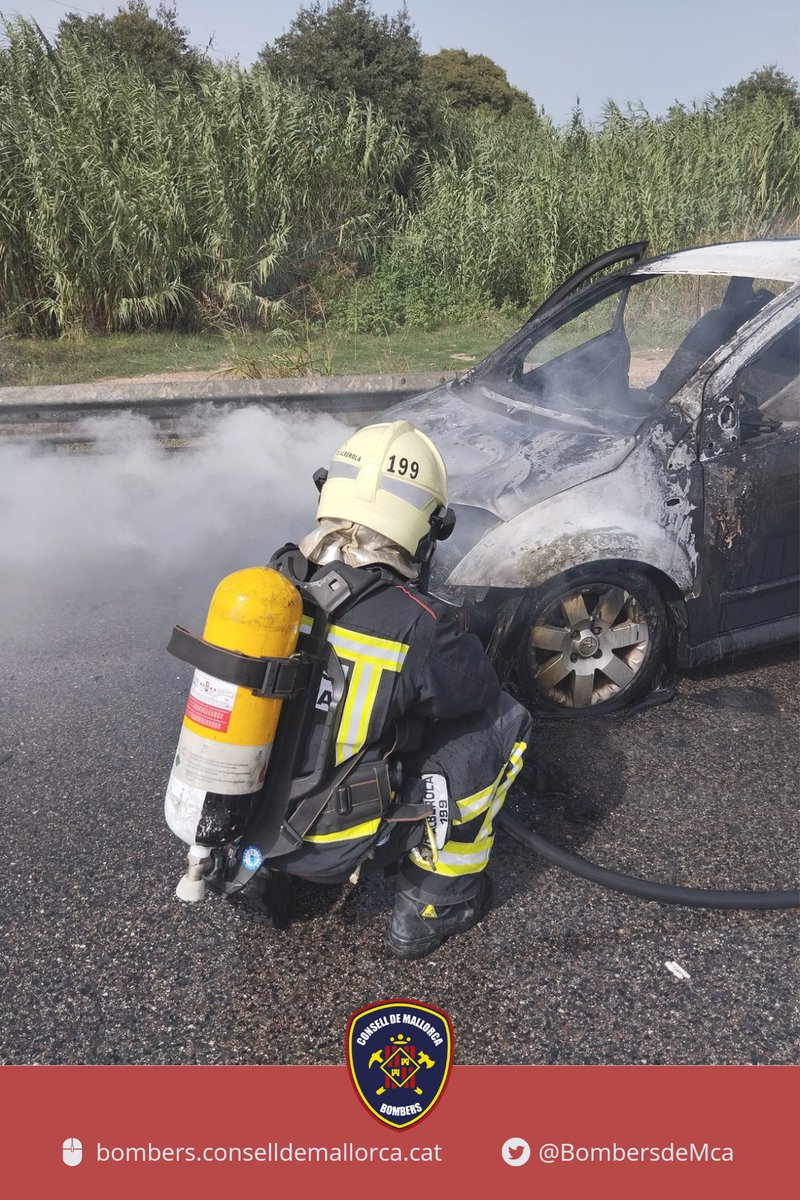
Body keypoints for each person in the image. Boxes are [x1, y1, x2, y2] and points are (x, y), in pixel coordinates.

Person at [235, 419, 533, 959]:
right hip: (332, 840)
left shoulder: (271, 586)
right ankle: (432, 906)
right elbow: (475, 692)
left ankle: (261, 880)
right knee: (502, 722)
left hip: (241, 830)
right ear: (426, 525)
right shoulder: (417, 623)